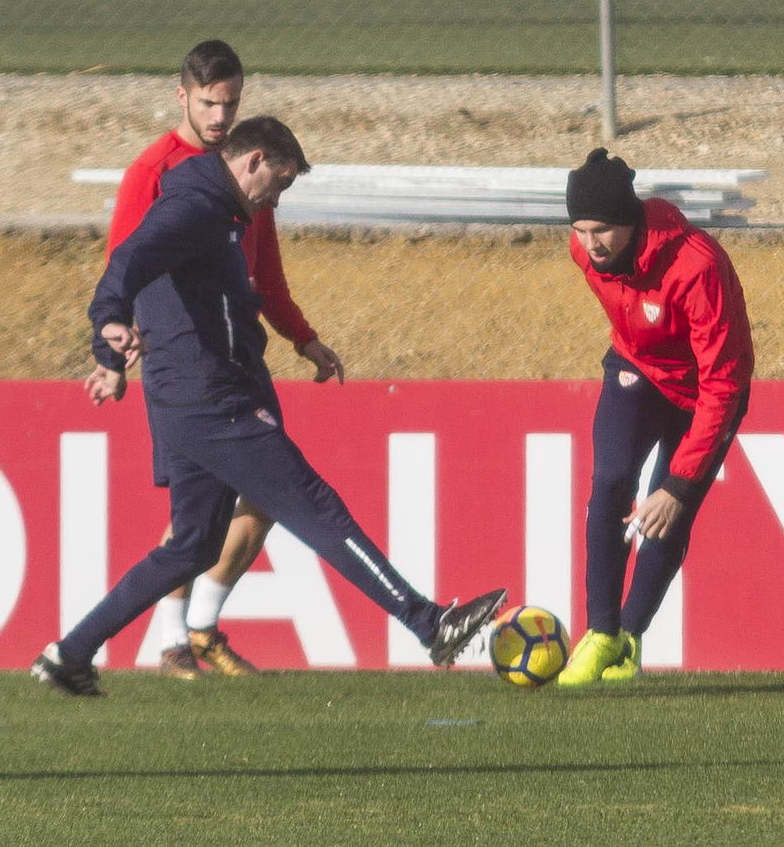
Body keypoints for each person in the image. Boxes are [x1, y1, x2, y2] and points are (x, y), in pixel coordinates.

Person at [35, 117, 505, 696]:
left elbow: (227, 289)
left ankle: (70, 653)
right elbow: (129, 258)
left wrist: (295, 338)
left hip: (189, 396)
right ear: (253, 160)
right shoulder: (197, 208)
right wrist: (105, 325)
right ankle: (430, 623)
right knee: (314, 504)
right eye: (277, 184)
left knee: (193, 544)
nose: (275, 199)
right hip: (208, 399)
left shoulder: (223, 208)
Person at [88, 39, 345, 680]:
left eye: (230, 103)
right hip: (187, 362)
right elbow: (124, 261)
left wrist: (302, 337)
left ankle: (202, 626)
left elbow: (266, 275)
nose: (219, 116)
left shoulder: (248, 168)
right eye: (208, 102)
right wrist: (113, 353)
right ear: (182, 96)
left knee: (264, 499)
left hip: (241, 358)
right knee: (195, 518)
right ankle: (174, 637)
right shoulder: (154, 172)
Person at [555, 148, 753, 686]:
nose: (590, 244)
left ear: (632, 221)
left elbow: (724, 381)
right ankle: (599, 634)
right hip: (638, 369)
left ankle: (629, 641)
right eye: (579, 229)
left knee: (669, 511)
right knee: (611, 479)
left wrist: (680, 484)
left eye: (601, 231)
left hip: (710, 392)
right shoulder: (583, 250)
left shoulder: (696, 266)